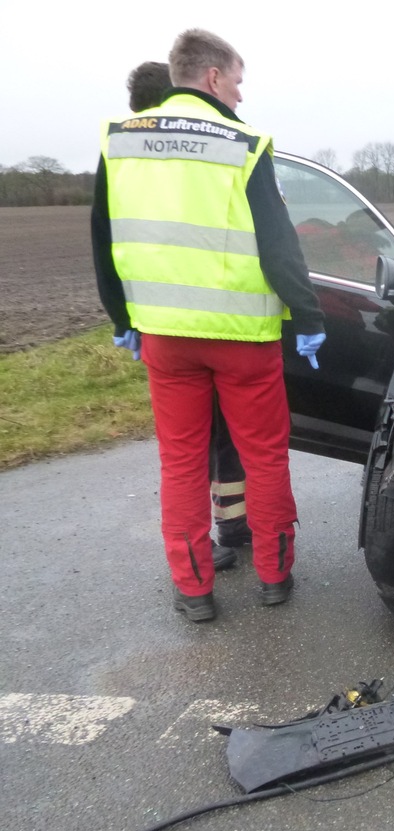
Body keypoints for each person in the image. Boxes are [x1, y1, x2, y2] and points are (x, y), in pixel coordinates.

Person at [93, 29, 326, 620]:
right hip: (244, 337)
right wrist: (308, 312)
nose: (242, 96)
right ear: (215, 77)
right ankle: (274, 576)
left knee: (181, 463)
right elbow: (278, 243)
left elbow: (104, 237)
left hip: (166, 336)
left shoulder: (121, 141)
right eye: (239, 81)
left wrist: (123, 318)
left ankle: (194, 590)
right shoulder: (243, 143)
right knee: (267, 457)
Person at [125, 60, 250, 572]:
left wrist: (124, 317)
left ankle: (211, 545)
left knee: (189, 450)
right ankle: (233, 533)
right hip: (228, 327)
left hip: (162, 328)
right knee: (217, 443)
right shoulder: (219, 156)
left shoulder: (131, 166)